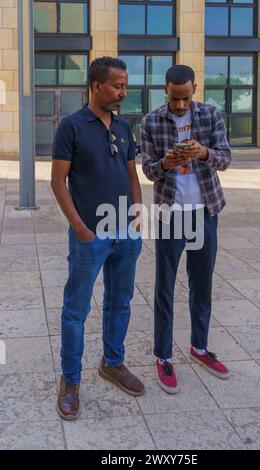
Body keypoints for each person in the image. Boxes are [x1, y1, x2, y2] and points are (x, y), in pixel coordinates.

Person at [51, 57, 145, 420]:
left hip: (126, 233)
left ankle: (113, 362)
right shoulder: (71, 126)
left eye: (124, 85)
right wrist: (79, 228)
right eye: (117, 85)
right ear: (96, 85)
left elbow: (131, 173)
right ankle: (71, 381)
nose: (123, 91)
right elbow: (58, 181)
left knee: (120, 302)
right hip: (91, 235)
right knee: (76, 310)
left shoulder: (123, 126)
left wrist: (138, 213)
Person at [141, 64, 232, 394]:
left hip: (205, 211)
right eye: (174, 98)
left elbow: (226, 158)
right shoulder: (151, 121)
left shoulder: (210, 116)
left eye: (185, 97)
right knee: (165, 286)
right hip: (170, 214)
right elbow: (149, 171)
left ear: (195, 88)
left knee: (202, 283)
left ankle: (200, 347)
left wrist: (204, 152)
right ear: (166, 89)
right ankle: (163, 355)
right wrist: (165, 162)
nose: (179, 105)